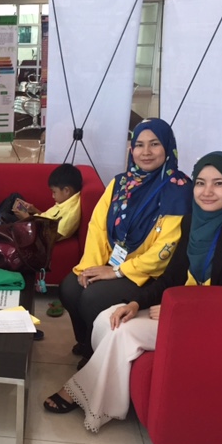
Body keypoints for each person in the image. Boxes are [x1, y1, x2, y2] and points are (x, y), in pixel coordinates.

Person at [43, 151, 222, 431]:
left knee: (124, 332)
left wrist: (180, 311)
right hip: (183, 310)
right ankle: (111, 398)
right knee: (109, 317)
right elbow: (170, 279)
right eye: (201, 183)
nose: (207, 192)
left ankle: (81, 395)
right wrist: (134, 303)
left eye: (219, 184)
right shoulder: (193, 221)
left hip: (215, 323)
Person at [59, 118, 193, 368]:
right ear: (131, 149)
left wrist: (118, 271)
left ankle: (96, 356)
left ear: (167, 146)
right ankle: (87, 341)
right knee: (70, 287)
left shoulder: (179, 189)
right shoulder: (120, 183)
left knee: (93, 298)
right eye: (139, 145)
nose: (146, 152)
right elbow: (98, 227)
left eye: (154, 144)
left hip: (149, 275)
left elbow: (166, 248)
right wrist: (90, 266)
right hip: (114, 264)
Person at [12, 163, 82, 241]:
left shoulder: (70, 213)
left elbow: (48, 237)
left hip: (33, 231)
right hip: (35, 222)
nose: (52, 196)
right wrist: (34, 210)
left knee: (6, 216)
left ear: (66, 190)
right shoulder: (66, 201)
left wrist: (27, 218)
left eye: (54, 192)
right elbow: (47, 219)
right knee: (15, 197)